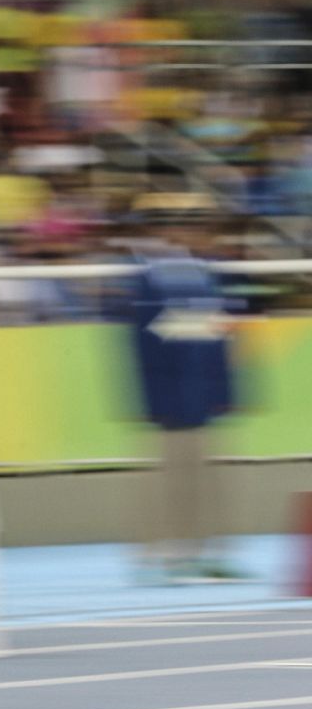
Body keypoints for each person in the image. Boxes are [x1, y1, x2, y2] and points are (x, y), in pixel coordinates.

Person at [127, 192, 243, 584]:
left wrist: (226, 391)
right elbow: (142, 343)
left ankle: (208, 550)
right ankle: (157, 554)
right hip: (170, 395)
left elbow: (220, 336)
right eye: (181, 225)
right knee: (169, 477)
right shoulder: (147, 276)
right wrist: (151, 399)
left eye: (199, 225)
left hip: (202, 394)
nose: (193, 232)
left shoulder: (206, 272)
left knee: (207, 476)